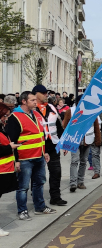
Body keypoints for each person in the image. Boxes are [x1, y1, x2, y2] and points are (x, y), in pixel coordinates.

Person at [5, 91, 57, 219]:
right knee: (22, 187)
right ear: (24, 101)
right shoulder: (15, 117)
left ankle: (40, 207)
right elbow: (12, 141)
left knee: (39, 183)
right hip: (24, 158)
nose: (36, 102)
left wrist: (44, 152)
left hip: (38, 156)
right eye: (33, 100)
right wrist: (16, 160)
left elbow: (41, 136)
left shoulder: (36, 114)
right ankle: (22, 211)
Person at [32, 85, 69, 206]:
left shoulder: (52, 107)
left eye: (46, 93)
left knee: (56, 172)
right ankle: (37, 198)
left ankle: (55, 197)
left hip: (53, 145)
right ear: (35, 94)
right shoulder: (31, 109)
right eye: (43, 93)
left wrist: (62, 143)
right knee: (37, 175)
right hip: (38, 147)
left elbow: (59, 126)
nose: (46, 95)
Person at [0, 102, 20, 236]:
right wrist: (9, 147)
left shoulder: (2, 127)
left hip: (4, 169)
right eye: (5, 115)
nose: (7, 117)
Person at [73, 109, 102, 190]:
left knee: (83, 161)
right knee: (74, 161)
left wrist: (98, 140)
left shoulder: (92, 113)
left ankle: (80, 181)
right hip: (74, 141)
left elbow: (96, 128)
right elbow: (66, 126)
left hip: (87, 141)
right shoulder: (72, 111)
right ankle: (73, 183)